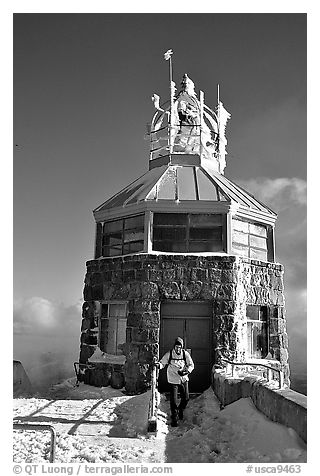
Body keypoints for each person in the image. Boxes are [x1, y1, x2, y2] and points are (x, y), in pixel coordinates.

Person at [154, 337, 194, 427]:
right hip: (173, 379)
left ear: (182, 347)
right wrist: (159, 365)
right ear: (174, 346)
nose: (178, 349)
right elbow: (163, 363)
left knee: (186, 397)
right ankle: (174, 418)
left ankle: (180, 409)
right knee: (174, 400)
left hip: (183, 378)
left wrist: (187, 371)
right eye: (176, 347)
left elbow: (191, 364)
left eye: (179, 347)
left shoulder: (185, 354)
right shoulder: (170, 354)